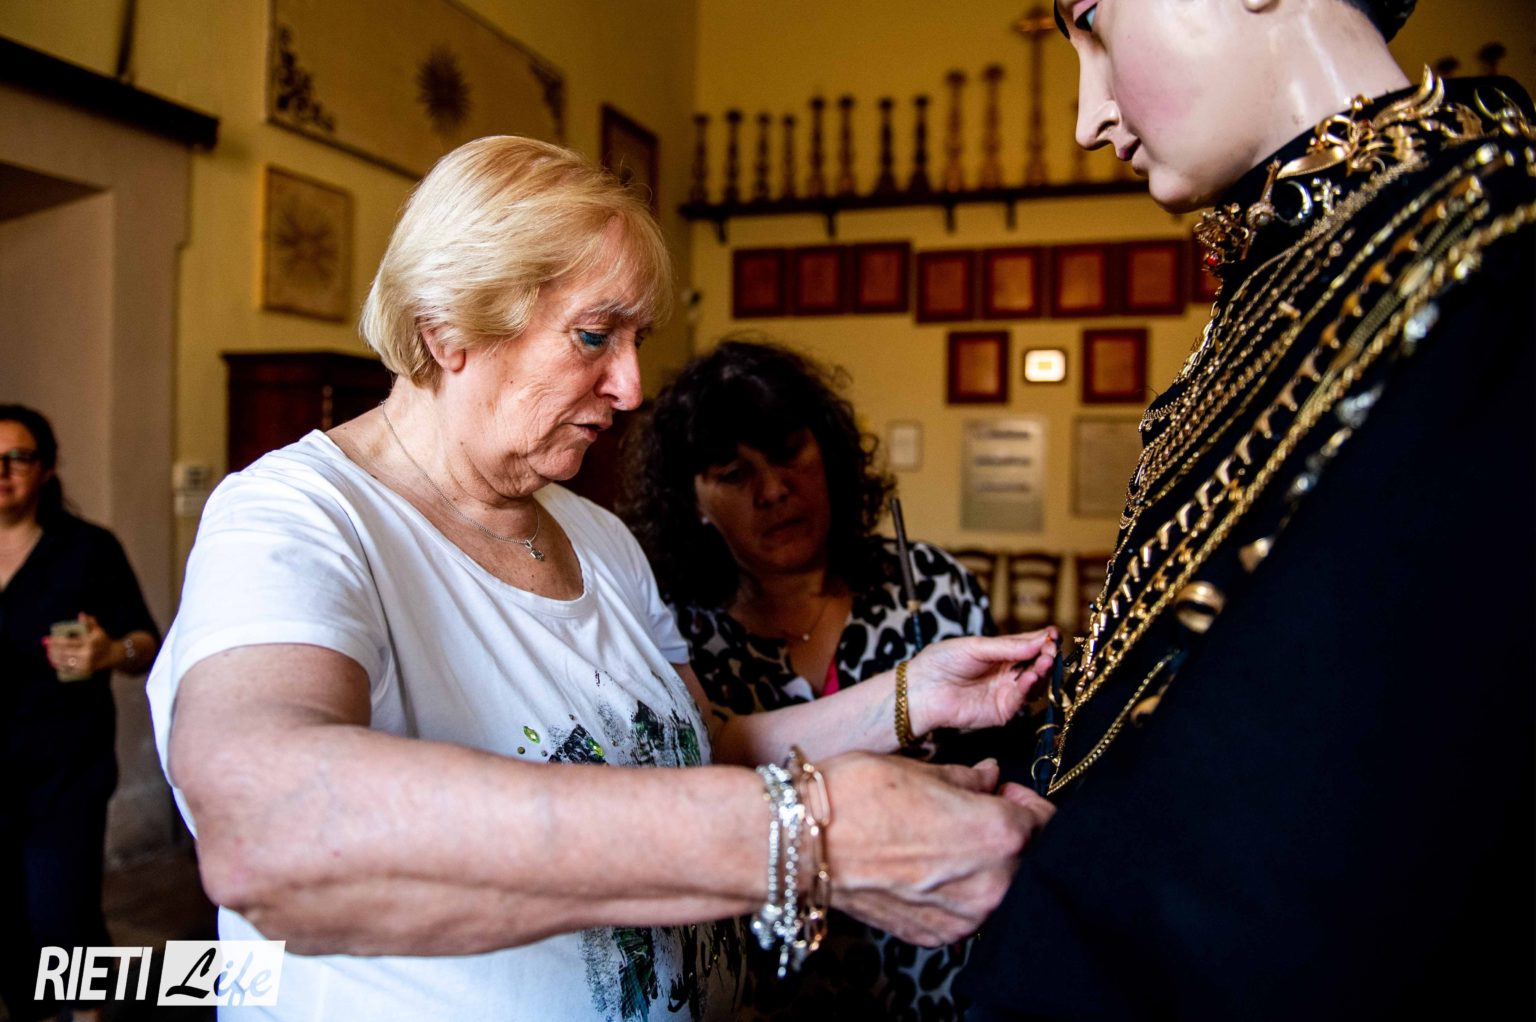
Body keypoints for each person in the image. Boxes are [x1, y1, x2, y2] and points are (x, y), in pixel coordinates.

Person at [145, 136, 1060, 1021]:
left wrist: (909, 696)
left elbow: (703, 747)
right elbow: (266, 823)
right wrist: (804, 836)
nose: (629, 387)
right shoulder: (297, 520)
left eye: (636, 340)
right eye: (593, 336)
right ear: (449, 328)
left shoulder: (596, 535)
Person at [958, 1, 1535, 1018]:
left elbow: (1330, 828)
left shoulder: (1489, 264)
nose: (1087, 119)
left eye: (1095, 23)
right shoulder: (1297, 268)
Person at [626, 338, 1036, 1019]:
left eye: (790, 453)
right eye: (733, 474)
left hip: (943, 976)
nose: (774, 490)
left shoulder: (930, 588)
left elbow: (1004, 770)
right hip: (762, 995)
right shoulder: (676, 638)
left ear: (830, 453)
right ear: (693, 502)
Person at [0, 404, 160, 1022]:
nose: (3, 472)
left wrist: (109, 652)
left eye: (18, 458)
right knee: (11, 931)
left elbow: (147, 644)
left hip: (64, 772)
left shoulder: (87, 550)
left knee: (60, 915)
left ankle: (89, 1012)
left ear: (46, 469)